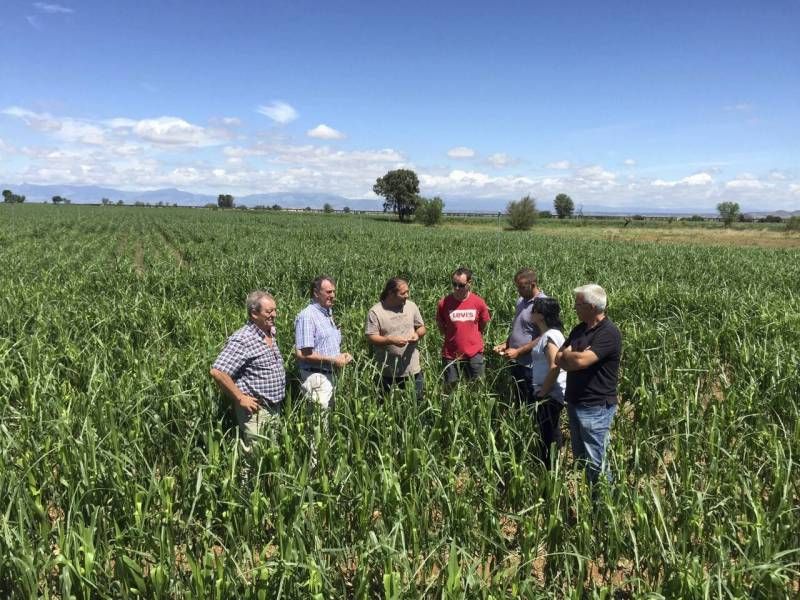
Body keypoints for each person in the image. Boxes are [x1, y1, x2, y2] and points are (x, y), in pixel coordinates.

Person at [556, 284, 622, 485]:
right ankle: (591, 503)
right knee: (582, 459)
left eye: (578, 304)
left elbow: (580, 361)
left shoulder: (608, 333)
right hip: (576, 402)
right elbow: (559, 358)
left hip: (596, 406)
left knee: (597, 461)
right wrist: (571, 357)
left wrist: (571, 356)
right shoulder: (579, 329)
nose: (575, 307)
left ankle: (604, 507)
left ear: (592, 307)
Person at [210, 290, 286, 449]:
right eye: (269, 311)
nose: (274, 314)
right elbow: (218, 371)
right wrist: (240, 398)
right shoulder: (243, 338)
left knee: (272, 454)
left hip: (274, 407)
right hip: (256, 410)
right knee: (256, 455)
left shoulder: (270, 331)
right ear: (254, 314)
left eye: (275, 310)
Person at [294, 275, 353, 410]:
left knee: (330, 421)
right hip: (316, 378)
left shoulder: (327, 313)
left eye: (333, 291)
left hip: (330, 376)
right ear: (316, 293)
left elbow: (324, 345)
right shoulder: (307, 316)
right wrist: (333, 360)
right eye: (328, 292)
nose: (333, 295)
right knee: (319, 426)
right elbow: (303, 354)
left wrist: (341, 356)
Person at [365, 277, 427, 400]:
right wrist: (390, 340)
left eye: (407, 292)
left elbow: (422, 327)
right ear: (391, 293)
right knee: (386, 406)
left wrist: (417, 334)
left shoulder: (411, 306)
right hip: (387, 371)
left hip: (412, 369)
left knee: (417, 404)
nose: (407, 295)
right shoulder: (376, 311)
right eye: (403, 293)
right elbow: (371, 336)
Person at [493, 268, 547, 404]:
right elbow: (519, 327)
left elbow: (545, 336)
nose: (518, 290)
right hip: (516, 361)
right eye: (517, 287)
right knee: (519, 398)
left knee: (531, 401)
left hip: (531, 365)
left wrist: (518, 351)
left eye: (522, 287)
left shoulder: (543, 304)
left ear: (533, 285)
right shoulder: (521, 301)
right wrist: (506, 344)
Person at [436, 267, 491, 390]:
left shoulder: (479, 302)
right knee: (450, 389)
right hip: (450, 353)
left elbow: (482, 324)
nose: (456, 288)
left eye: (461, 285)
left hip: (474, 352)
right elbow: (440, 324)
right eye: (454, 284)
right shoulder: (444, 303)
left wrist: (473, 337)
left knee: (477, 388)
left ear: (469, 283)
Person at [529, 296, 567, 466]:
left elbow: (554, 366)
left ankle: (551, 471)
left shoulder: (550, 337)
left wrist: (543, 391)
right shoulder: (550, 334)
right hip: (548, 392)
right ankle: (550, 469)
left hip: (549, 394)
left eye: (534, 310)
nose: (531, 313)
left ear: (541, 316)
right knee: (548, 431)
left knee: (549, 433)